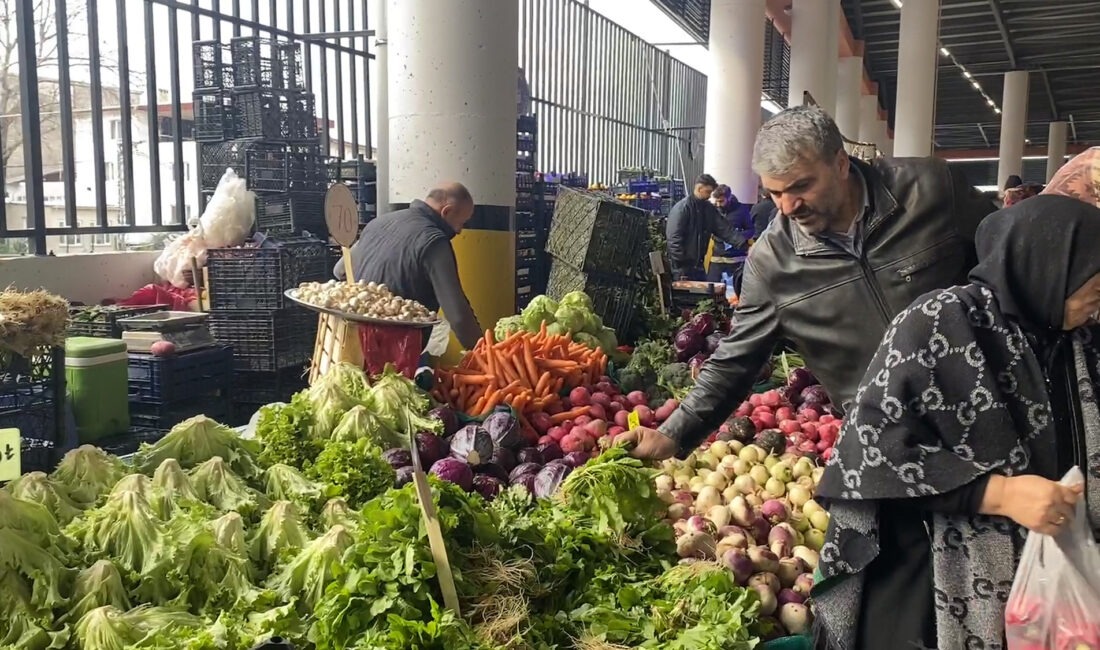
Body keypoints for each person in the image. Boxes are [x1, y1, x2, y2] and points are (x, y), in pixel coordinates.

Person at [617, 105, 996, 460]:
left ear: (841, 163)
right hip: (889, 445)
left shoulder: (930, 189)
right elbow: (735, 360)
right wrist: (671, 434)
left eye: (800, 187)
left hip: (986, 409)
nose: (787, 207)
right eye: (775, 193)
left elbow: (1006, 262)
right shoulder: (772, 263)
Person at [813, 194, 1100, 650]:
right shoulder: (938, 323)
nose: (1096, 303)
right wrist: (999, 494)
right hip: (933, 584)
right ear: (1051, 265)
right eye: (1095, 288)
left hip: (1050, 585)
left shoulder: (1076, 342)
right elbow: (866, 454)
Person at [334, 182, 483, 350]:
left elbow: (340, 271)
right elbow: (458, 316)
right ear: (446, 211)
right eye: (461, 222)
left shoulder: (378, 223)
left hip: (348, 341)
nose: (460, 231)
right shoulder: (433, 241)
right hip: (393, 351)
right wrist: (484, 354)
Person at [665, 174, 747, 280]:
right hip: (683, 269)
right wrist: (682, 263)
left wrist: (743, 244)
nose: (709, 196)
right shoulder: (682, 209)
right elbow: (674, 239)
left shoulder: (707, 209)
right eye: (708, 192)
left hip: (697, 265)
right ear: (699, 188)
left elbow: (724, 229)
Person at [707, 184, 753, 291]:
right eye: (716, 201)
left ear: (729, 197)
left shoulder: (742, 210)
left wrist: (737, 236)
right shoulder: (713, 210)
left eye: (721, 201)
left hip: (736, 259)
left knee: (737, 291)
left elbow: (751, 230)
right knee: (711, 291)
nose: (718, 204)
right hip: (717, 258)